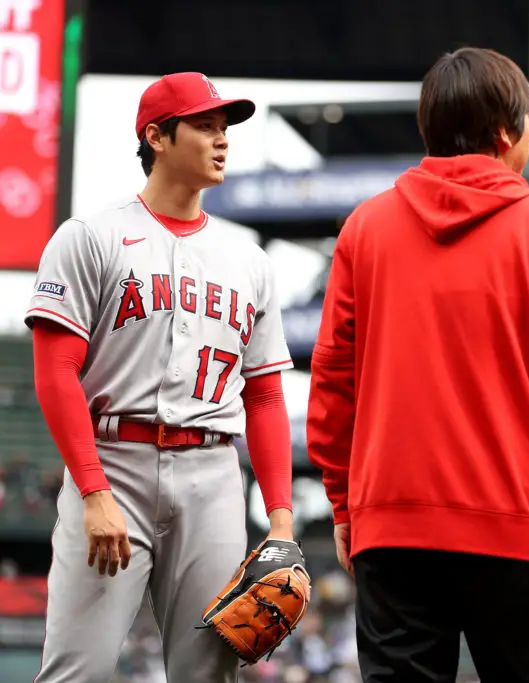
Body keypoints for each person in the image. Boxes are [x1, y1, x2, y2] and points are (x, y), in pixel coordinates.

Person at [306, 47, 529, 683]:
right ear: (506, 132)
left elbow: (334, 381)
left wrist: (344, 505)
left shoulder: (365, 228)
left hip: (393, 525)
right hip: (516, 527)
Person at [26, 72, 297, 683]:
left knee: (209, 674)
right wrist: (93, 491)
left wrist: (280, 520)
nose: (222, 140)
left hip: (213, 479)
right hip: (114, 463)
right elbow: (56, 371)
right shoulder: (89, 238)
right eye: (205, 126)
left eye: (225, 128)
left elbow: (267, 394)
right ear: (157, 136)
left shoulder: (250, 261)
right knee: (79, 671)